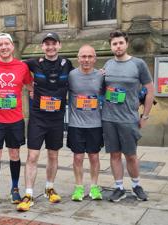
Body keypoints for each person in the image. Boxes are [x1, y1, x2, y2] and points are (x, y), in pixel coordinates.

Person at [18, 32, 73, 212]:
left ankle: (49, 188)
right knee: (32, 156)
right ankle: (28, 194)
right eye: (46, 44)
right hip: (38, 118)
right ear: (42, 47)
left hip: (57, 118)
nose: (50, 47)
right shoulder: (34, 63)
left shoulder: (67, 64)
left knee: (53, 155)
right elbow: (11, 66)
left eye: (53, 43)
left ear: (59, 45)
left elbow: (81, 78)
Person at [102, 31, 154, 202]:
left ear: (127, 44)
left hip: (129, 118)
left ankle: (136, 185)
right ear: (111, 46)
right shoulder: (107, 65)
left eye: (120, 43)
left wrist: (145, 116)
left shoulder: (138, 64)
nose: (118, 46)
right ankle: (119, 188)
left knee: (131, 155)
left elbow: (150, 91)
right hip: (109, 118)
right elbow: (102, 89)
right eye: (114, 44)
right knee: (114, 155)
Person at [0, 33, 32, 207]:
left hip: (15, 118)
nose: (4, 47)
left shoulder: (22, 67)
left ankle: (15, 188)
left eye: (6, 44)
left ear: (12, 46)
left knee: (14, 154)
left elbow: (30, 87)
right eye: (0, 45)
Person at [67, 45, 104, 201]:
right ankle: (79, 188)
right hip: (76, 124)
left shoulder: (102, 75)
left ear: (95, 58)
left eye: (90, 56)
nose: (86, 60)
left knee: (94, 157)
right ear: (78, 58)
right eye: (83, 56)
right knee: (77, 157)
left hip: (95, 124)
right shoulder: (71, 75)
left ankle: (94, 187)